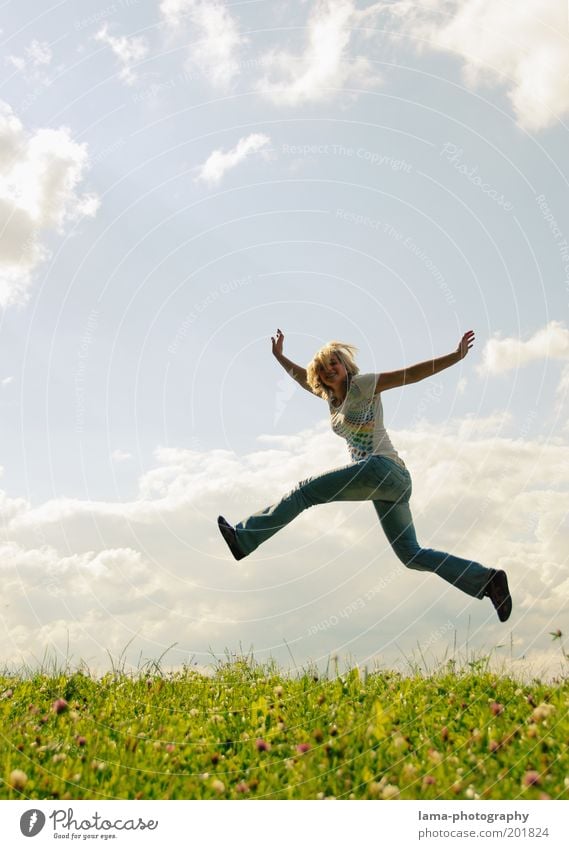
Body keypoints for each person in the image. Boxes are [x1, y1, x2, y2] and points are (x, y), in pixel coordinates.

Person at [218, 328, 512, 622]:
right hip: (390, 485)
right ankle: (487, 580)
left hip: (381, 468)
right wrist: (280, 357)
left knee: (304, 492)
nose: (329, 369)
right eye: (322, 368)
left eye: (334, 363)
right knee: (411, 554)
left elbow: (412, 374)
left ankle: (245, 537)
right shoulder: (331, 399)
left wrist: (456, 356)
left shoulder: (363, 384)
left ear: (345, 366)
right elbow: (301, 378)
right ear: (318, 377)